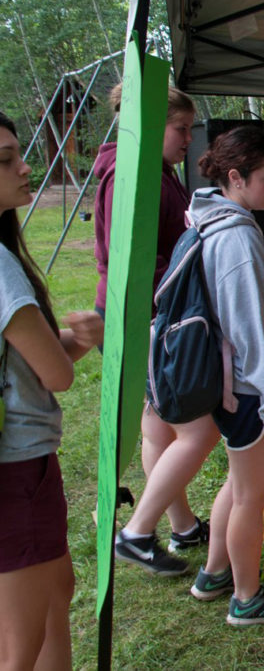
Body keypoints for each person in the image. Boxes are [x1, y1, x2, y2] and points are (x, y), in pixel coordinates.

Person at [182, 125, 264, 625]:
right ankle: (247, 599)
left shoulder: (213, 220)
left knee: (237, 488)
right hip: (253, 390)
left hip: (234, 386)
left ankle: (215, 574)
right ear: (235, 177)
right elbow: (253, 332)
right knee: (250, 500)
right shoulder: (238, 239)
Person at [95, 84, 217, 565]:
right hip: (147, 319)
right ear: (148, 127)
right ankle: (137, 532)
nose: (189, 138)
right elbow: (133, 261)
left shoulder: (153, 170)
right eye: (180, 128)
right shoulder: (131, 175)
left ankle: (182, 527)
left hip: (147, 317)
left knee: (159, 430)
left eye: (189, 128)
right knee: (198, 432)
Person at [0, 112, 103, 669]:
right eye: (5, 159)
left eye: (17, 152)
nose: (24, 165)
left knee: (55, 595)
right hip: (16, 468)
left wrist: (77, 337)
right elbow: (54, 373)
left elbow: (26, 351)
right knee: (20, 642)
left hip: (22, 463)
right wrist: (85, 340)